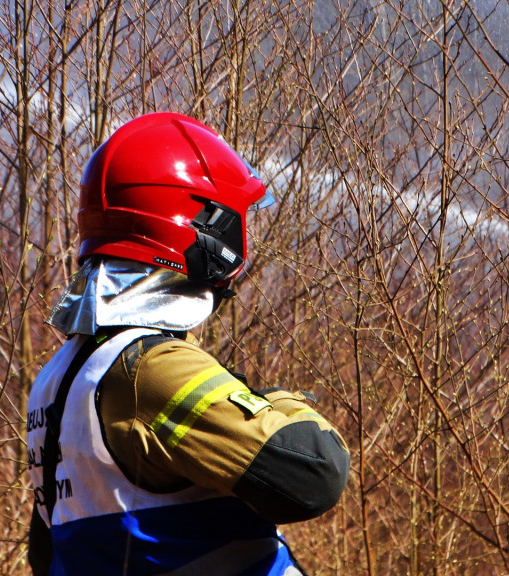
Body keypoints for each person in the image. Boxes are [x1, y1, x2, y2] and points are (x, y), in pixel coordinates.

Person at [26, 112, 350, 576]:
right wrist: (278, 402)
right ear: (207, 228)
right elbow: (314, 473)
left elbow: (46, 551)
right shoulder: (152, 368)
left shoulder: (59, 376)